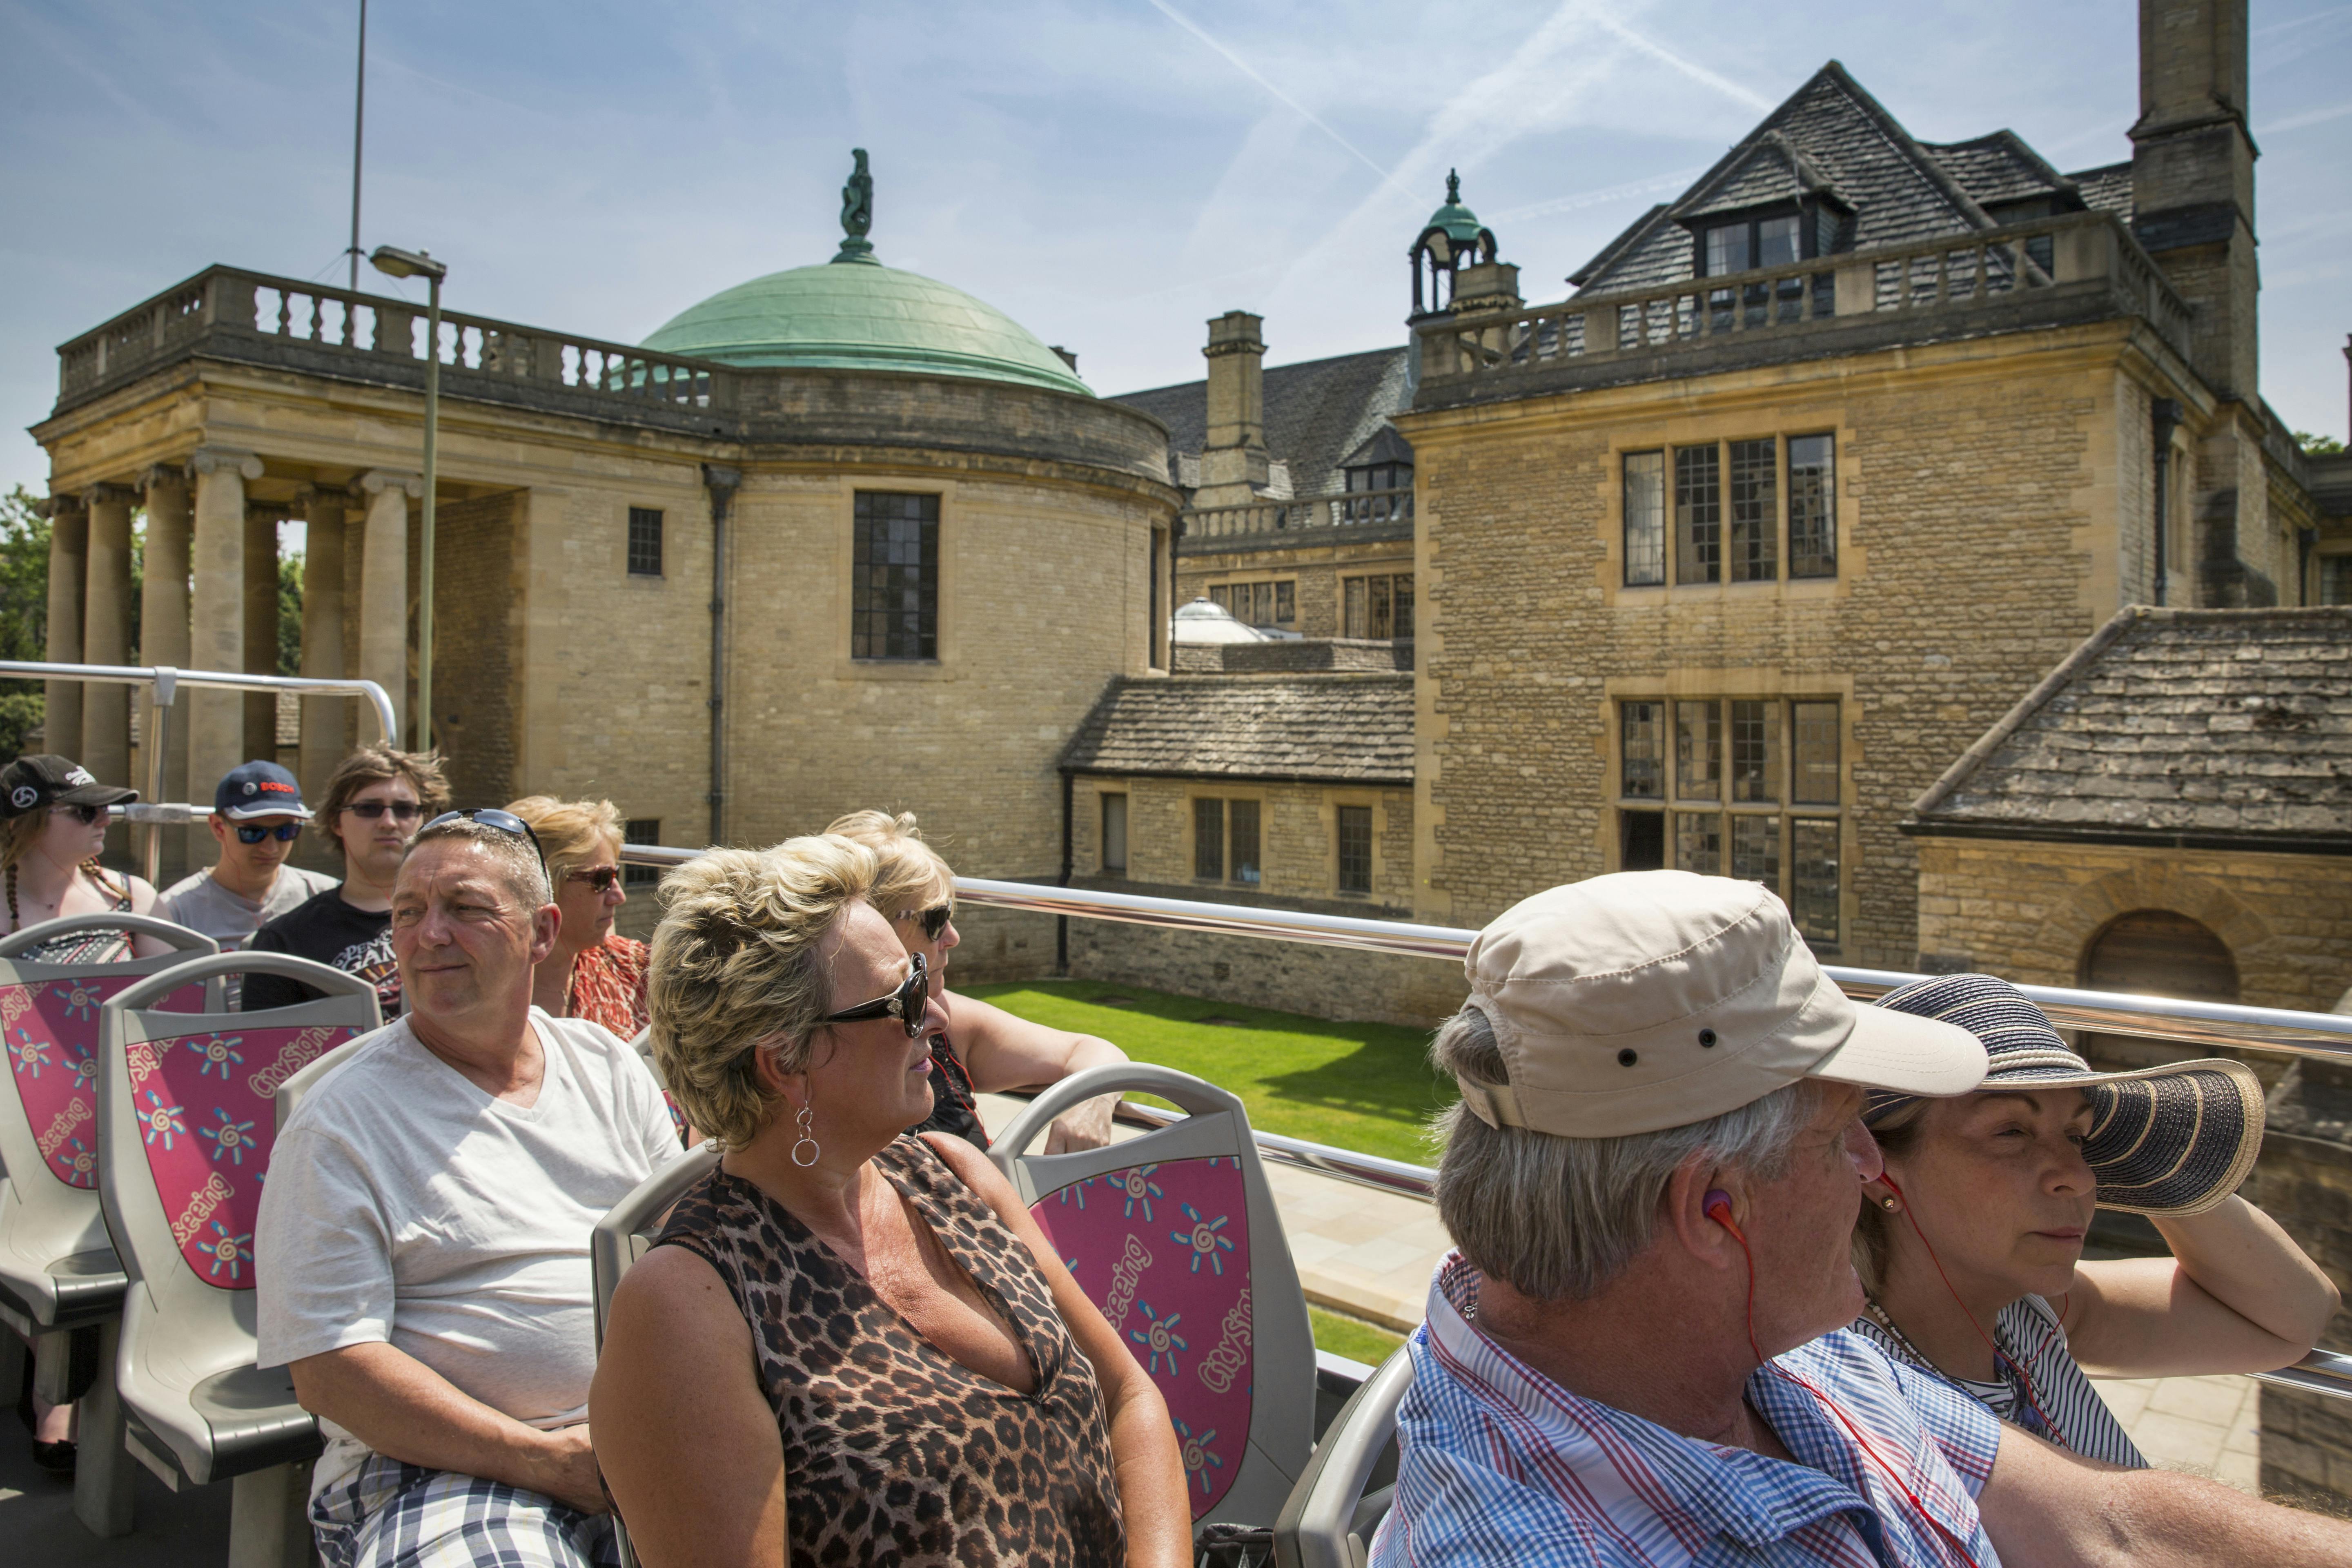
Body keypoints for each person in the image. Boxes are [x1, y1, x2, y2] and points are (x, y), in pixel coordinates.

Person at [1376, 870, 2352, 1567]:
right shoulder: (1540, 1539)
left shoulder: (1784, 1346)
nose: (1869, 1166)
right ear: (1714, 1209)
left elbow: (2108, 1522)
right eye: (1843, 1128)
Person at [591, 837, 1188, 1567]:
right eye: (904, 997)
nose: (936, 1016)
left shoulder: (956, 1174)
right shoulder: (688, 1309)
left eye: (922, 980)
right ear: (788, 1063)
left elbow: (1129, 1396)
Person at [256, 809, 681, 1568]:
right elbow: (329, 1368)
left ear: (543, 932)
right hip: (440, 1469)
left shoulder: (607, 1068)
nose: (430, 936)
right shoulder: (341, 1120)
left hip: (650, 1433)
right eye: (409, 912)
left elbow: (680, 1249)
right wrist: (547, 1462)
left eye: (466, 909)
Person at [1849, 972, 2338, 1465]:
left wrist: (2148, 1158)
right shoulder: (1856, 1385)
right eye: (2012, 1131)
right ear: (1874, 1167)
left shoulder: (2026, 1317)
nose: (2081, 1178)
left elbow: (2293, 1317)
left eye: (2079, 1138)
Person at [0, 753, 162, 1476]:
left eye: (108, 810)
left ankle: (75, 1378)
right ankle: (56, 1385)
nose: (106, 822)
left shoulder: (134, 896)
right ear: (30, 819)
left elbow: (172, 1018)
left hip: (112, 1113)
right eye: (86, 811)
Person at [826, 810, 1128, 1152]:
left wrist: (1089, 1102)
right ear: (870, 925)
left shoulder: (948, 1019)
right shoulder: (820, 1047)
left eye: (951, 913)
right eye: (936, 919)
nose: (953, 937)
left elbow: (1097, 1052)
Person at [243, 745, 449, 1020]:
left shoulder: (461, 920)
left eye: (404, 809)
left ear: (426, 821)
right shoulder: (285, 941)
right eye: (369, 809)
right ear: (335, 822)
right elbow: (267, 1052)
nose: (389, 822)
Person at [155, 761, 339, 1002]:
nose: (271, 847)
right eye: (253, 833)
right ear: (218, 828)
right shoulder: (173, 911)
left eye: (287, 832)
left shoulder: (327, 896)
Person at [505, 796, 645, 1037]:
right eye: (602, 880)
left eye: (617, 876)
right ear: (544, 888)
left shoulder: (634, 966)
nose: (619, 897)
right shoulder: (481, 994)